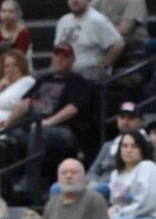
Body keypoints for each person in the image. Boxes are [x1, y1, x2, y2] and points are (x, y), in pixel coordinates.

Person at [5, 43, 95, 171]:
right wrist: (8, 123)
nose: (59, 59)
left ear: (72, 60)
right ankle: (8, 181)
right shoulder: (43, 79)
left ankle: (30, 182)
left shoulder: (79, 82)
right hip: (35, 125)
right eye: (56, 55)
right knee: (10, 132)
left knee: (37, 133)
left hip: (63, 129)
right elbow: (25, 103)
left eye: (64, 56)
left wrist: (48, 122)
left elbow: (72, 109)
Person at [54, 0, 124, 82]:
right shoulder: (63, 21)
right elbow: (57, 50)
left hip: (89, 73)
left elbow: (118, 44)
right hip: (64, 70)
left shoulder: (97, 20)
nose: (75, 1)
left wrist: (104, 66)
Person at [107, 131, 156, 219]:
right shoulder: (116, 174)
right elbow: (115, 202)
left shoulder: (148, 167)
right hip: (127, 217)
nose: (129, 150)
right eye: (125, 146)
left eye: (134, 146)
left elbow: (146, 205)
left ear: (142, 150)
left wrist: (120, 213)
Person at [88, 100, 147, 195]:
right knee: (58, 187)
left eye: (131, 118)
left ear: (140, 121)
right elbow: (92, 171)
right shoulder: (108, 145)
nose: (125, 121)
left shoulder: (146, 144)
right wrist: (94, 182)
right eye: (122, 117)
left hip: (123, 188)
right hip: (98, 185)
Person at [0, 49, 35, 127]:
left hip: (9, 127)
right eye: (6, 66)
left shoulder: (27, 81)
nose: (10, 69)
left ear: (22, 66)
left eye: (15, 65)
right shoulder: (5, 84)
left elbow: (12, 101)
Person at [0, 0, 33, 66]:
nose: (6, 15)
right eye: (3, 11)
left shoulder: (24, 32)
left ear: (17, 14)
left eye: (10, 12)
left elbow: (21, 56)